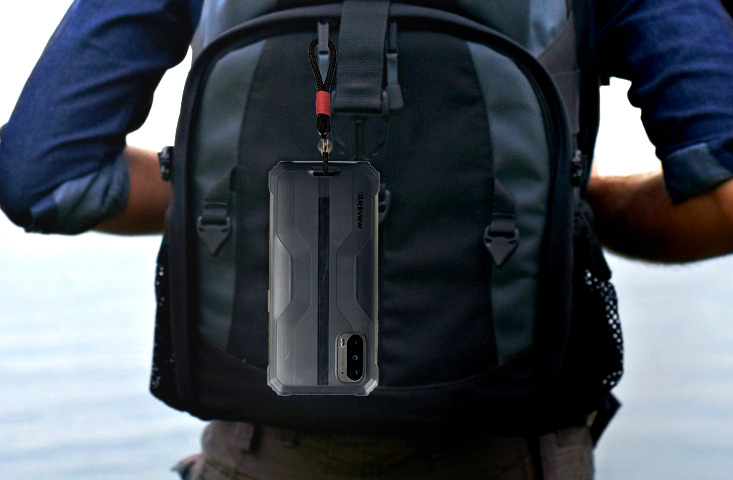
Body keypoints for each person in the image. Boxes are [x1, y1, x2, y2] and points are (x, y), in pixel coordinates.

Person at [1, 0, 732, 478]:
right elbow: (724, 199)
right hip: (512, 453)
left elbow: (46, 181)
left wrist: (252, 196)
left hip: (265, 447)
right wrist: (556, 203)